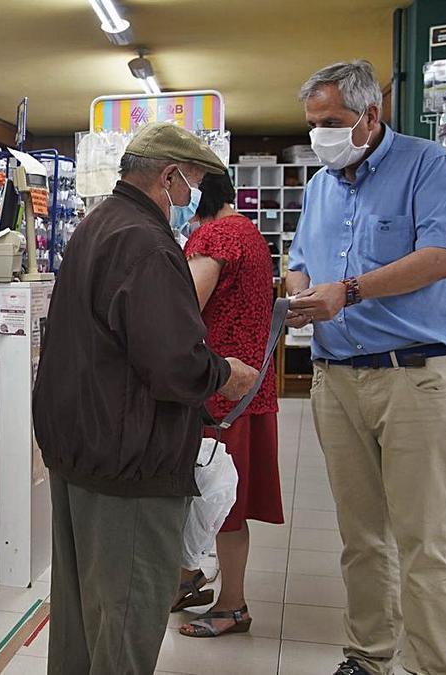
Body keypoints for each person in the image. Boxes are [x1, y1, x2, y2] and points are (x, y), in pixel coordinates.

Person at [33, 123, 259, 674]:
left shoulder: (97, 225)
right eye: (192, 184)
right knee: (127, 624)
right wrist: (225, 373)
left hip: (78, 451)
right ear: (168, 176)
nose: (193, 198)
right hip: (129, 463)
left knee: (80, 623)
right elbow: (173, 362)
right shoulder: (147, 243)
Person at [287, 60, 446, 675]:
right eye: (314, 123)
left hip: (414, 376)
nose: (322, 134)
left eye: (334, 122)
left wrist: (349, 291)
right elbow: (300, 260)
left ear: (371, 115)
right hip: (336, 376)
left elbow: (442, 257)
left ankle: (432, 667)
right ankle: (368, 656)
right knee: (360, 535)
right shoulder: (319, 185)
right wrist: (296, 292)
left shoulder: (429, 166)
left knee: (424, 540)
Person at [174, 172, 283, 638]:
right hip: (249, 386)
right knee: (222, 494)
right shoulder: (250, 233)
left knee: (219, 496)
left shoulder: (214, 235)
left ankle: (232, 605)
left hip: (219, 395)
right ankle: (189, 577)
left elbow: (181, 309)